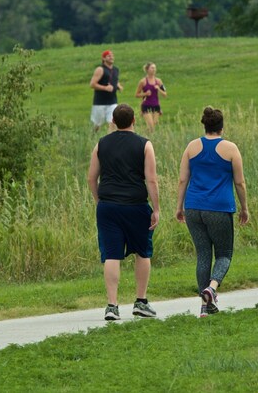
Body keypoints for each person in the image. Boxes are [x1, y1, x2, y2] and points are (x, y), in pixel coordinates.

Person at [86, 104, 160, 321]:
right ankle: (141, 301)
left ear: (113, 122)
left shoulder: (101, 144)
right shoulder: (145, 145)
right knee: (142, 251)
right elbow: (151, 179)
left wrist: (100, 200)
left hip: (108, 206)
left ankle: (112, 305)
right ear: (134, 120)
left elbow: (91, 178)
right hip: (136, 205)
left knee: (111, 254)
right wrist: (156, 208)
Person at [175, 107, 249, 318]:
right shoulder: (230, 149)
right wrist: (244, 208)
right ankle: (212, 289)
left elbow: (182, 180)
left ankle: (204, 307)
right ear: (221, 126)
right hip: (219, 208)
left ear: (204, 125)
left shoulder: (191, 147)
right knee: (224, 254)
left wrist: (179, 207)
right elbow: (240, 182)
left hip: (193, 208)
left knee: (203, 255)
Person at [89, 50, 123, 134]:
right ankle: (92, 135)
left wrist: (118, 86)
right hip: (100, 102)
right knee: (97, 125)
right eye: (108, 56)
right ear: (103, 58)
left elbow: (114, 79)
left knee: (113, 122)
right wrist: (105, 88)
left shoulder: (116, 69)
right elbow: (92, 84)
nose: (111, 57)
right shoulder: (100, 69)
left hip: (112, 101)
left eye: (112, 55)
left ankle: (110, 141)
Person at [135, 62, 168, 133]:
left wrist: (158, 89)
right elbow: (137, 94)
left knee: (153, 126)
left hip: (156, 106)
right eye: (152, 68)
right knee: (151, 126)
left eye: (155, 68)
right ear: (147, 69)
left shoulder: (158, 81)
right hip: (146, 105)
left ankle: (143, 135)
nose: (154, 70)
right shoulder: (143, 81)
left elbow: (165, 94)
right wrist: (145, 93)